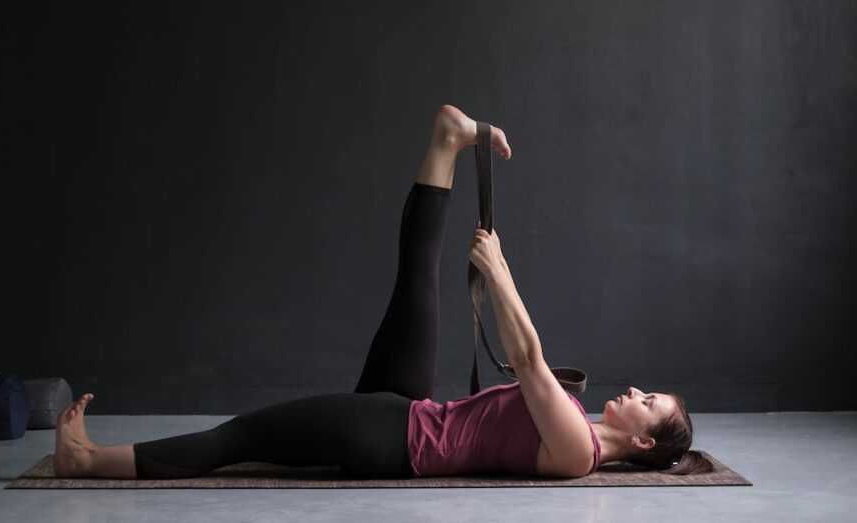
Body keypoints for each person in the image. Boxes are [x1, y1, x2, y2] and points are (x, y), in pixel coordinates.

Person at [52, 104, 713, 479]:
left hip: (395, 437)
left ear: (648, 442)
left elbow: (532, 361)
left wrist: (500, 271)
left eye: (649, 402)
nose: (635, 391)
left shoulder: (579, 452)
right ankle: (448, 139)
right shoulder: (579, 423)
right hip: (414, 410)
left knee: (241, 437)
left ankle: (88, 460)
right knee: (416, 277)